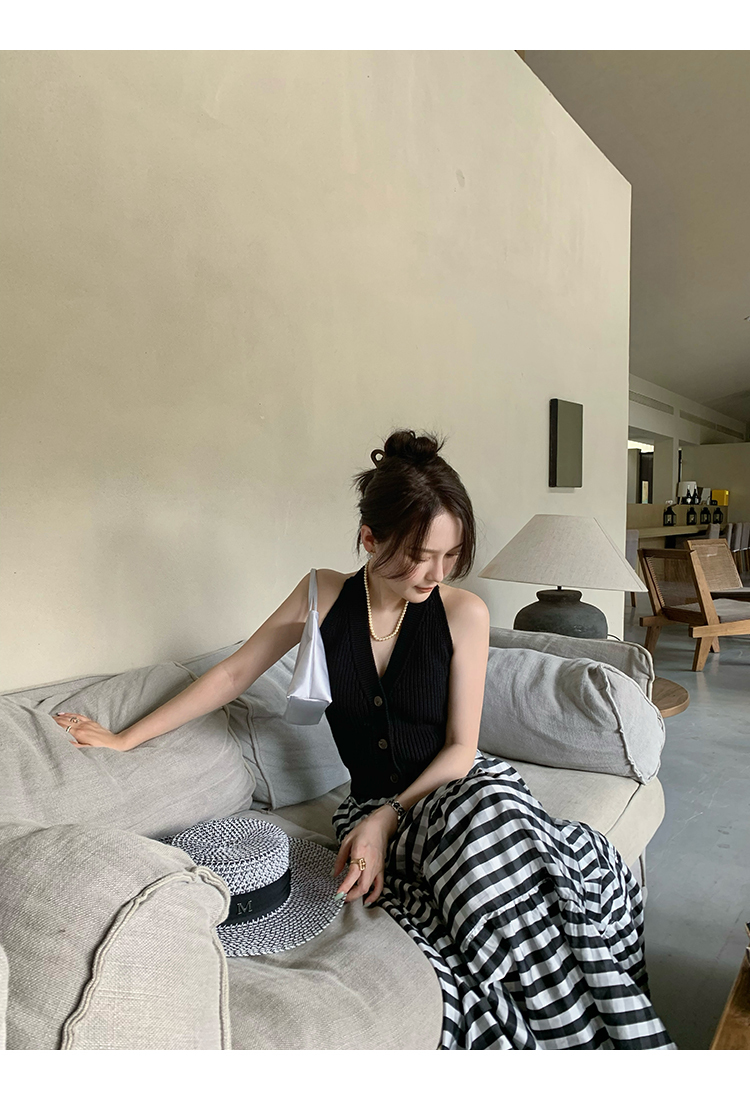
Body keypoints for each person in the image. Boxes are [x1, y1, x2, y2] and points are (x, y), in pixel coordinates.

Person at [52, 428, 675, 1050]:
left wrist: (386, 818)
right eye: (420, 555)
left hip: (462, 791)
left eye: (450, 555)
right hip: (375, 807)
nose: (435, 573)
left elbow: (462, 748)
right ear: (370, 538)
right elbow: (234, 674)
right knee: (486, 881)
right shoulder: (322, 596)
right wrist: (125, 738)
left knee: (492, 841)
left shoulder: (464, 613)